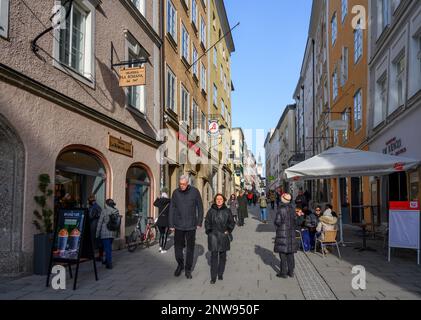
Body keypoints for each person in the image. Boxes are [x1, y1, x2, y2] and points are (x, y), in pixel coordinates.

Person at [169, 175, 204, 279]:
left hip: (191, 225)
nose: (182, 186)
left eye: (184, 184)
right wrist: (171, 224)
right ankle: (180, 265)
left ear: (188, 183)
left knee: (190, 248)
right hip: (178, 225)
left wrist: (199, 222)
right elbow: (172, 208)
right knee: (178, 248)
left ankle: (188, 269)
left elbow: (200, 207)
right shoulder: (175, 193)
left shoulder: (195, 191)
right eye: (180, 184)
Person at [205, 194, 236, 284]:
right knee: (214, 256)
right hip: (213, 236)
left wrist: (228, 230)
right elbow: (207, 222)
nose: (219, 200)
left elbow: (232, 222)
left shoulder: (227, 211)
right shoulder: (211, 211)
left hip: (223, 236)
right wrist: (209, 231)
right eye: (217, 199)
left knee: (222, 256)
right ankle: (213, 277)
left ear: (223, 200)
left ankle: (220, 273)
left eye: (221, 199)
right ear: (215, 200)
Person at [274, 193, 298, 278]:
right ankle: (291, 272)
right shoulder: (292, 209)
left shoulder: (281, 209)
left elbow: (277, 221)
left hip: (282, 233)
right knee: (290, 254)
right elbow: (295, 220)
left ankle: (283, 273)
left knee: (283, 254)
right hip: (291, 233)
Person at [96, 199, 119, 269]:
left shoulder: (104, 211)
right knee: (108, 247)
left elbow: (100, 222)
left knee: (107, 249)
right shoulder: (116, 211)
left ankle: (109, 264)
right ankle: (106, 260)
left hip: (105, 232)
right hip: (112, 232)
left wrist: (97, 233)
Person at [88, 195, 103, 262]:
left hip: (94, 225)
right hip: (99, 225)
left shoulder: (93, 207)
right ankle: (100, 256)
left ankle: (92, 255)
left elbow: (90, 216)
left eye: (89, 200)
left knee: (92, 241)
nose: (88, 202)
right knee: (99, 241)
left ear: (91, 201)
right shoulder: (99, 206)